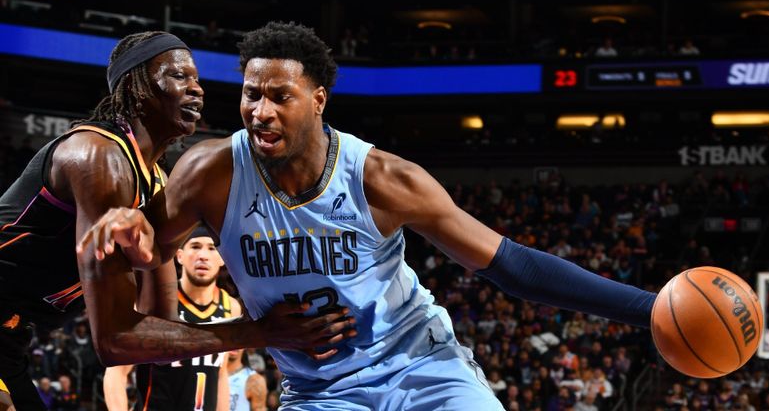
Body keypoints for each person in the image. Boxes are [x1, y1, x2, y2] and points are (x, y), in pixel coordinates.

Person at [83, 22, 656, 410]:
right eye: (250, 93)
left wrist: (649, 310)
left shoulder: (383, 178)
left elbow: (511, 267)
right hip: (318, 390)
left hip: (420, 368)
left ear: (318, 100)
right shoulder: (211, 172)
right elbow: (137, 255)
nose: (260, 111)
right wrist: (127, 226)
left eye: (280, 96)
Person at [0, 31, 351, 410]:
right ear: (135, 87)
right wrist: (260, 332)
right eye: (178, 77)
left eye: (196, 79)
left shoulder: (157, 184)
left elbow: (155, 331)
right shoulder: (98, 158)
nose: (197, 89)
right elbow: (114, 341)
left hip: (11, 346)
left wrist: (148, 255)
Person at [104, 228, 241, 410]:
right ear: (179, 256)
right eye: (195, 246)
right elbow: (116, 372)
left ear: (223, 258)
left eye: (211, 248)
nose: (203, 256)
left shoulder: (231, 308)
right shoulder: (155, 302)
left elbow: (222, 373)